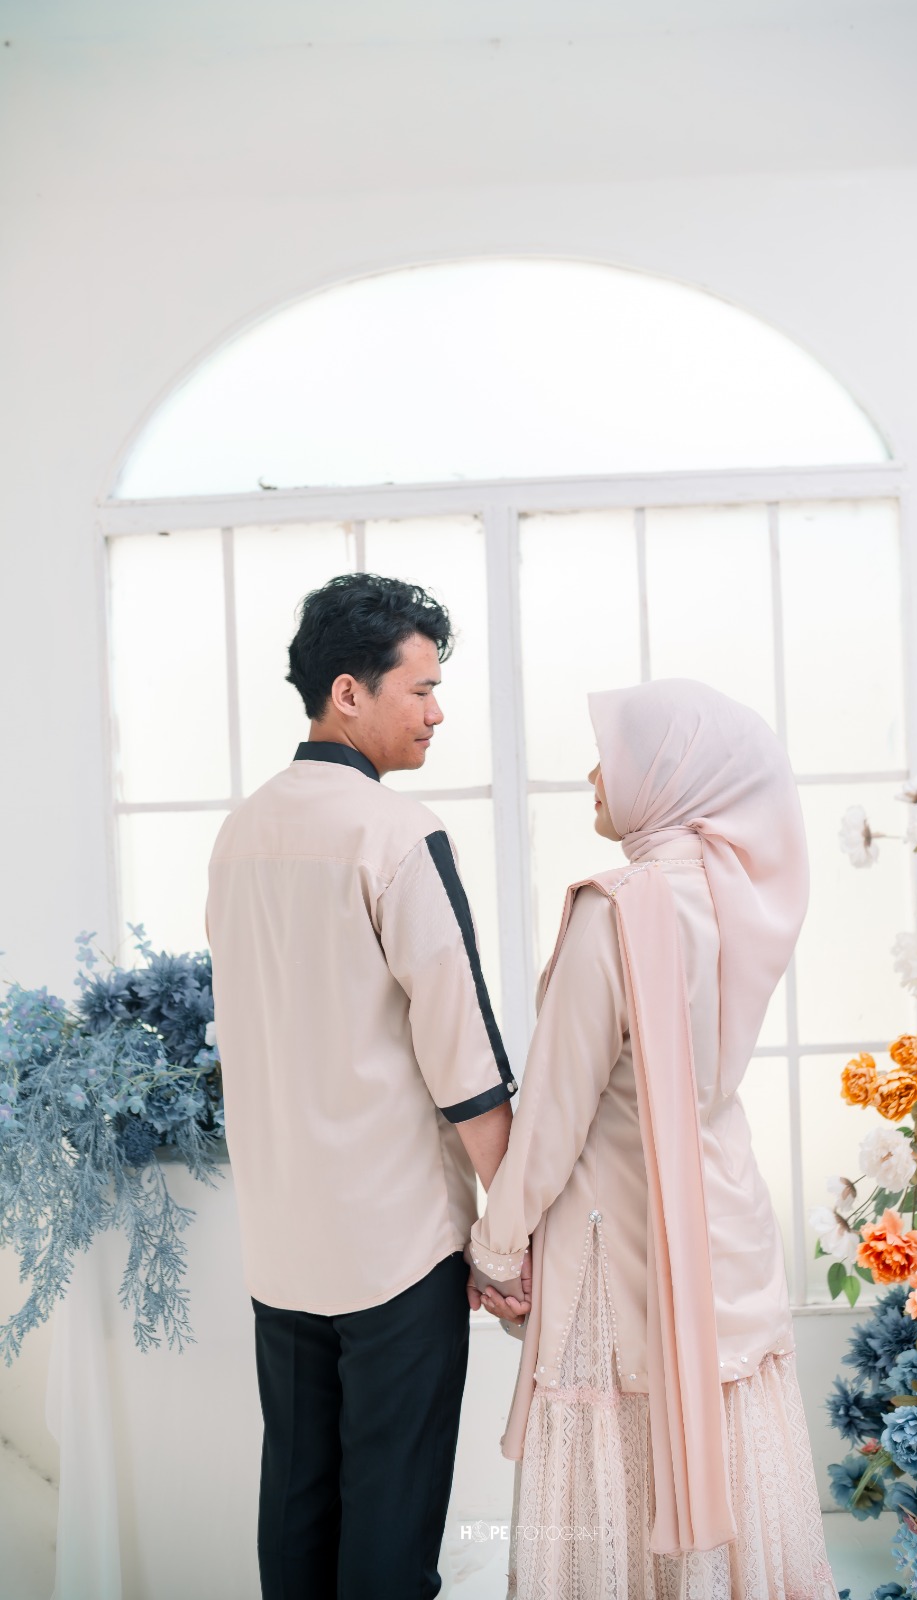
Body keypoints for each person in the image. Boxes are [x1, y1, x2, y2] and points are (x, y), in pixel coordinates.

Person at [469, 679, 836, 1600]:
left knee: (616, 1472)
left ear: (665, 775)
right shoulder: (736, 899)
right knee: (725, 1421)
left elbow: (554, 1112)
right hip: (726, 1218)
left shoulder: (620, 908)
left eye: (612, 757)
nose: (593, 776)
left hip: (619, 1239)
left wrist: (497, 1245)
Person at [206, 573, 517, 1600]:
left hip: (282, 1237)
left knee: (297, 1502)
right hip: (395, 1240)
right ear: (348, 692)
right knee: (390, 1517)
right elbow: (462, 1053)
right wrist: (514, 1222)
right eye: (420, 689)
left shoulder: (238, 835)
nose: (436, 713)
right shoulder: (394, 833)